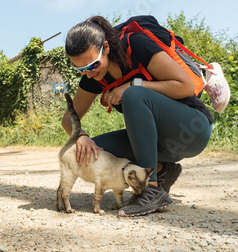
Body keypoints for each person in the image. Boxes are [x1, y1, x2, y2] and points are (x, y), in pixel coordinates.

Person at [61, 15, 214, 217]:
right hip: (161, 144)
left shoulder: (136, 46)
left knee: (134, 95)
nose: (88, 73)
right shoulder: (94, 75)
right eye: (80, 69)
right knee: (90, 153)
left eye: (92, 65)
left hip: (191, 129)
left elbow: (185, 86)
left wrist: (133, 85)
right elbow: (67, 119)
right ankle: (160, 170)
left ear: (105, 47)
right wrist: (81, 136)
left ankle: (151, 189)